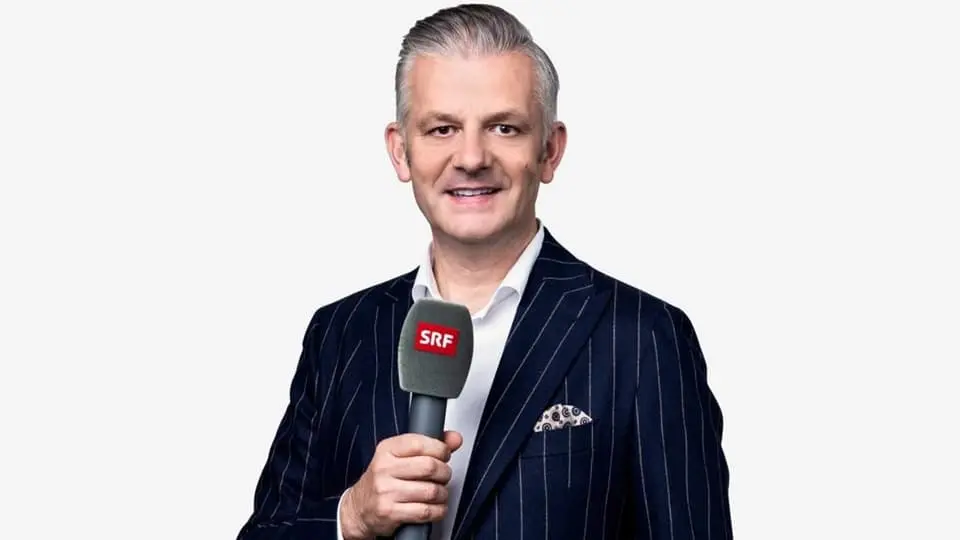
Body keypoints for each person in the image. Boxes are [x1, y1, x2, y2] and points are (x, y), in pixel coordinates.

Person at [236, 4, 732, 539]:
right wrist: (352, 516)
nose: (471, 157)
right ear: (401, 153)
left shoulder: (643, 338)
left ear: (549, 150)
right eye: (442, 128)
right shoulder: (340, 333)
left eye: (503, 127)